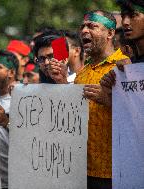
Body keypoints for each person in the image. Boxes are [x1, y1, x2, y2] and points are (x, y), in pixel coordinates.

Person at [76, 10, 128, 189]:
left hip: (115, 173)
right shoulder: (81, 73)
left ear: (110, 33)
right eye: (82, 26)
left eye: (92, 26)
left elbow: (138, 114)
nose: (84, 31)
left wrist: (108, 101)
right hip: (80, 170)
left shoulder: (127, 67)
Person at [100, 0, 144, 104]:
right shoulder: (129, 61)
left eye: (133, 15)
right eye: (123, 16)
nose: (125, 22)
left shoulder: (129, 66)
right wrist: (111, 93)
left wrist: (131, 73)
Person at [0, 50, 19, 188]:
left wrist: (6, 122)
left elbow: (31, 138)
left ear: (11, 73)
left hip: (14, 182)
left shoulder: (21, 100)